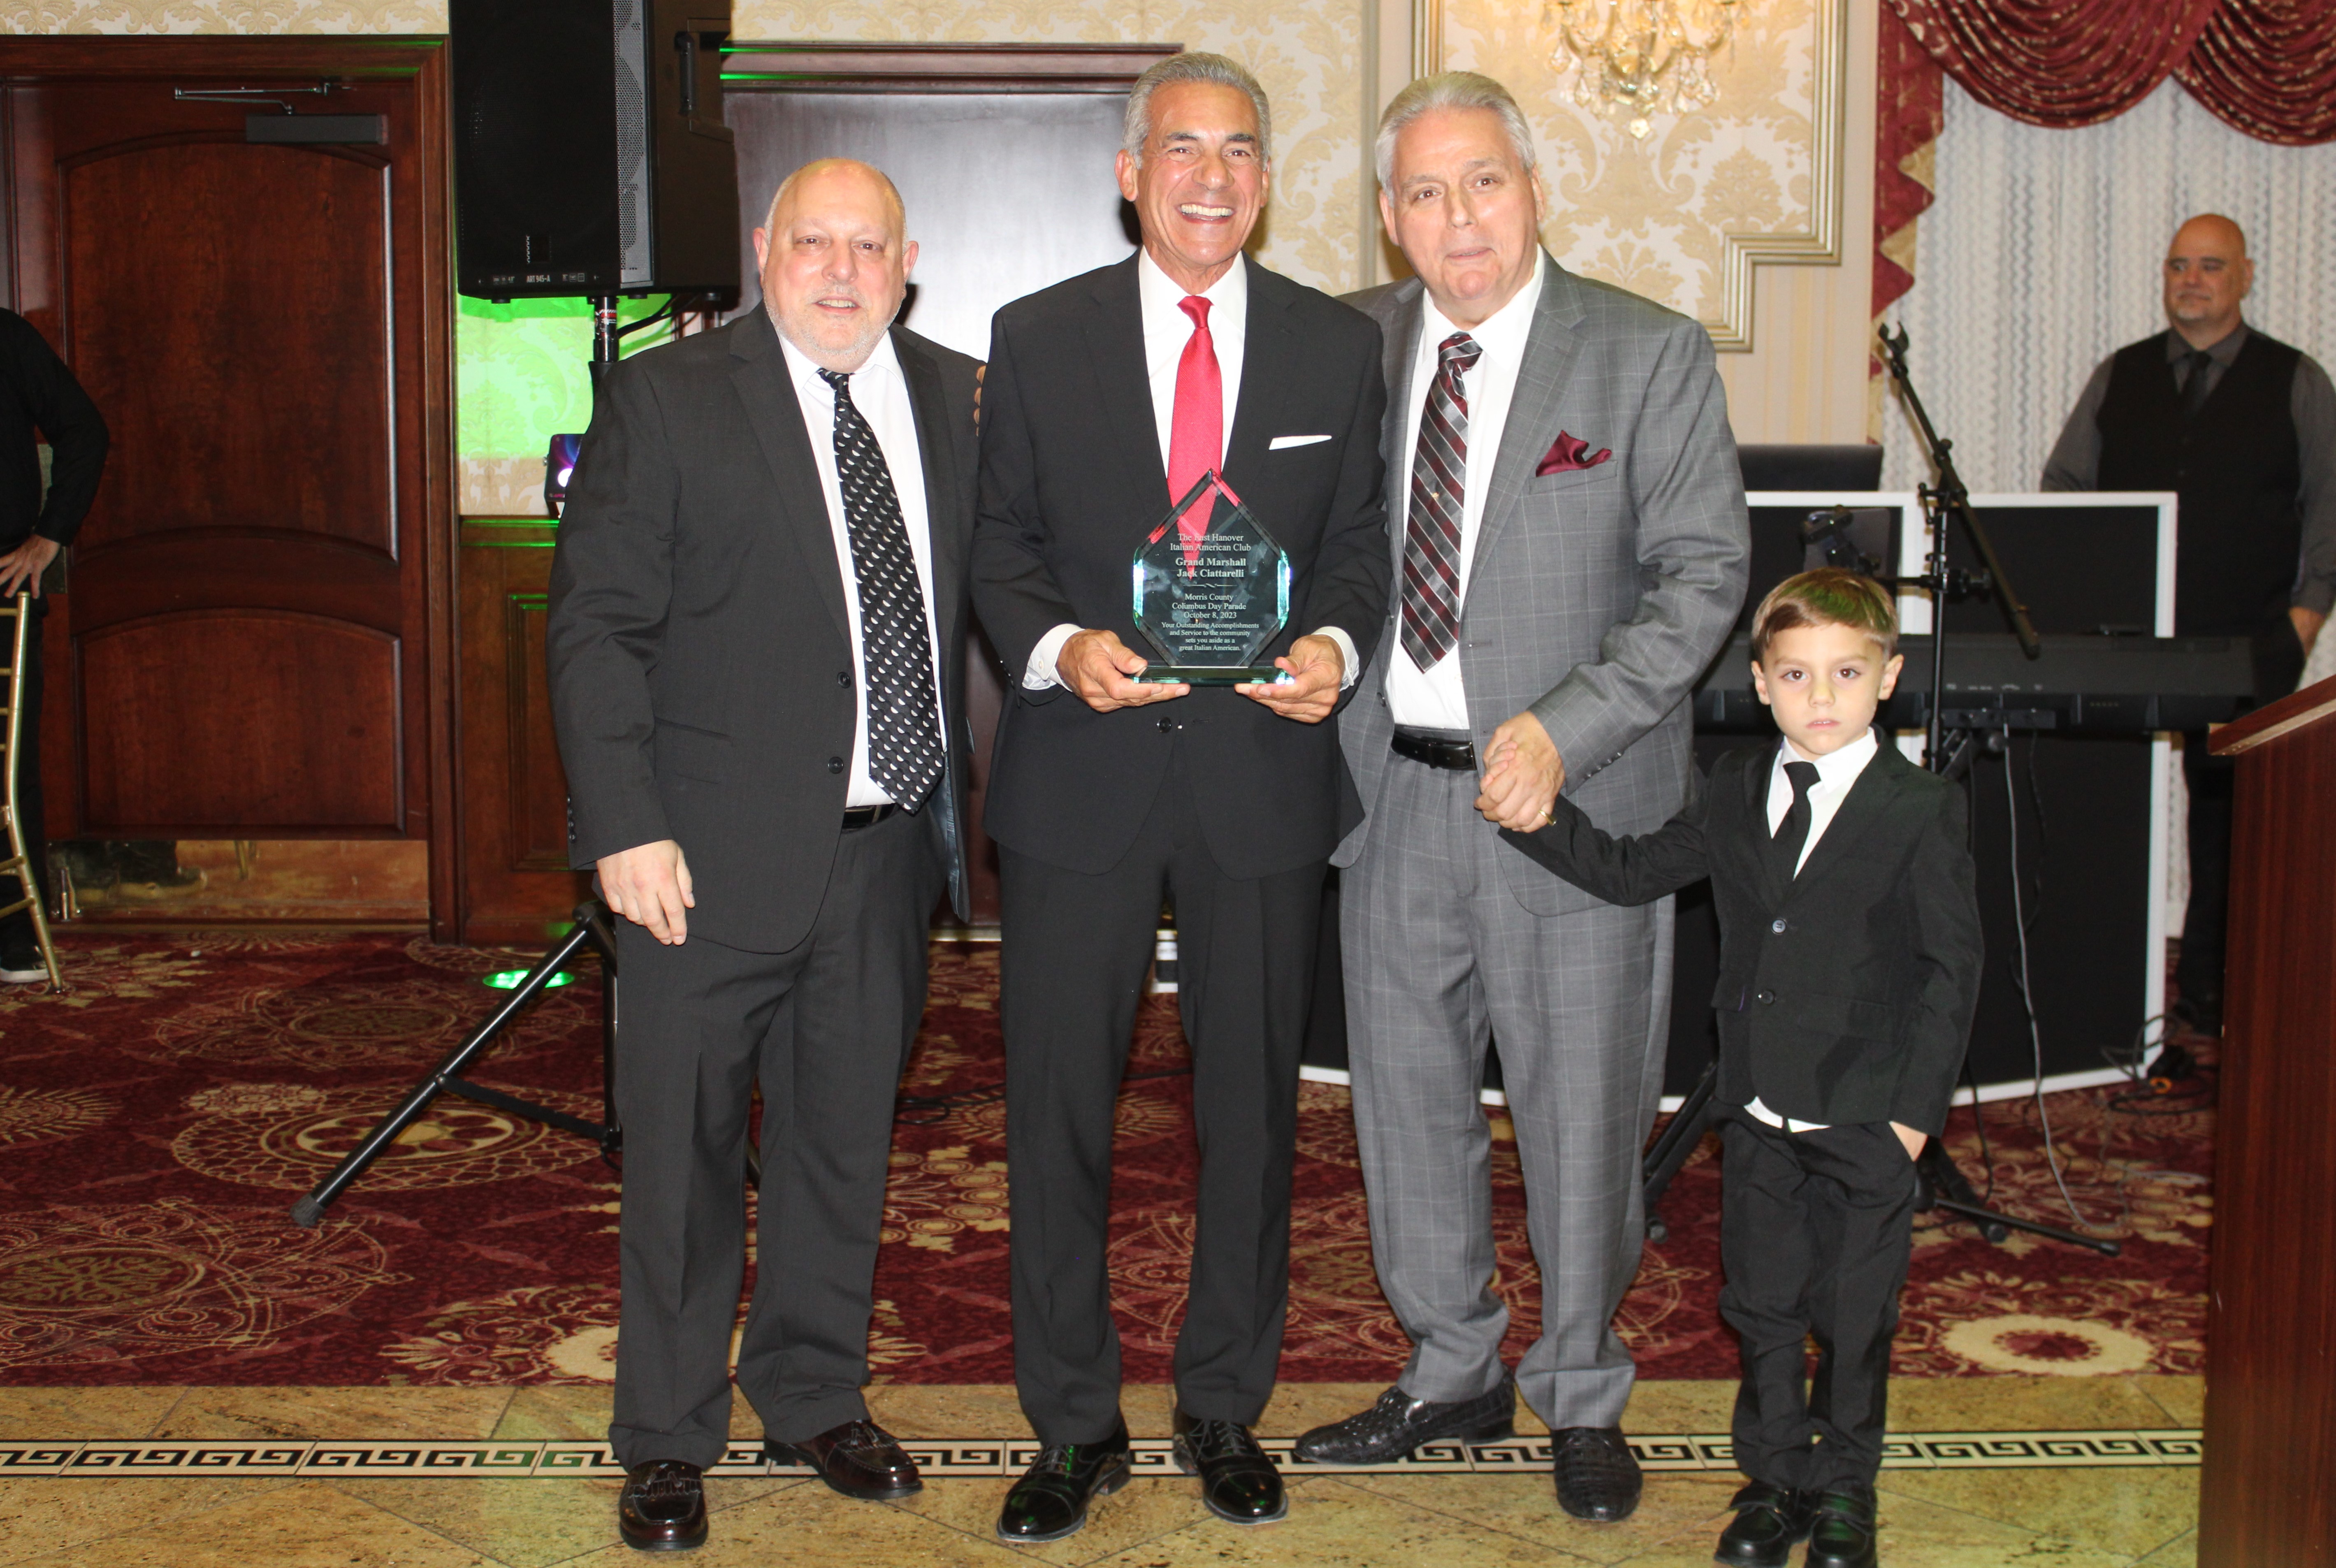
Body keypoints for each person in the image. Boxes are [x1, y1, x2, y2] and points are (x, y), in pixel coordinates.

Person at [1294, 72, 1748, 1526]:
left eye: (1483, 182)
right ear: (1390, 215)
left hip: (1574, 807)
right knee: (1407, 1104)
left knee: (1585, 1108)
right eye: (1425, 193)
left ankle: (1582, 1384)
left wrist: (1567, 726)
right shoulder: (1342, 351)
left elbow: (1702, 581)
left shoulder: (1646, 352)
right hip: (1391, 796)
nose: (1459, 219)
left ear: (1535, 189)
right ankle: (1451, 1366)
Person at [970, 51, 1390, 1545]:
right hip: (1080, 780)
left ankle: (1223, 1404)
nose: (1212, 177)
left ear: (1266, 179)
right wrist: (1056, 647)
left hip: (1261, 781)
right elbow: (999, 544)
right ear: (1132, 173)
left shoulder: (1338, 347)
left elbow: (1358, 547)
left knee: (1252, 1115)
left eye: (1239, 151)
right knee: (1055, 1115)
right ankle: (1072, 1424)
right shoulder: (1037, 337)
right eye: (1183, 150)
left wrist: (1335, 650)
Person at [546, 158, 980, 1552]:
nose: (842, 271)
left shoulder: (960, 398)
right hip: (697, 863)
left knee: (840, 1145)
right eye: (814, 243)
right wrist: (623, 823)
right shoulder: (668, 399)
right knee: (679, 1160)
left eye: (869, 247)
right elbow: (596, 628)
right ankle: (669, 1436)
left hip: (886, 854)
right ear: (763, 249)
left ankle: (810, 1392)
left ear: (908, 263)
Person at [1504, 570, 1983, 1568]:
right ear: (1760, 683)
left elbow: (1951, 970)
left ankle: (1843, 1487)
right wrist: (1536, 814)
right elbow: (1635, 871)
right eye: (1796, 674)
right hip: (1756, 1107)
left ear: (1887, 678)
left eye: (1845, 673)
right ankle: (1771, 1480)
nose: (1821, 696)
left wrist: (1912, 1118)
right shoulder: (1731, 788)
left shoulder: (1920, 806)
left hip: (1865, 1115)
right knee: (1760, 1306)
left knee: (1852, 1316)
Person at [2041, 213, 2336, 1038]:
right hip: (2127, 642)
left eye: (2210, 266)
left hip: (2249, 642)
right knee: (2106, 808)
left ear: (2244, 276)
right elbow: (2063, 486)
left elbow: (2329, 506)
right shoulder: (2121, 373)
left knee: (2230, 827)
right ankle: (2097, 990)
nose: (2191, 280)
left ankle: (2214, 996)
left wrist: (2304, 620)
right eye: (2178, 265)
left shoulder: (2296, 380)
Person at [0, 309, 107, 983]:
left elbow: (84, 430)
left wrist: (50, 535)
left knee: (7, 768)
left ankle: (16, 936)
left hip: (3, 583)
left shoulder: (6, 338)